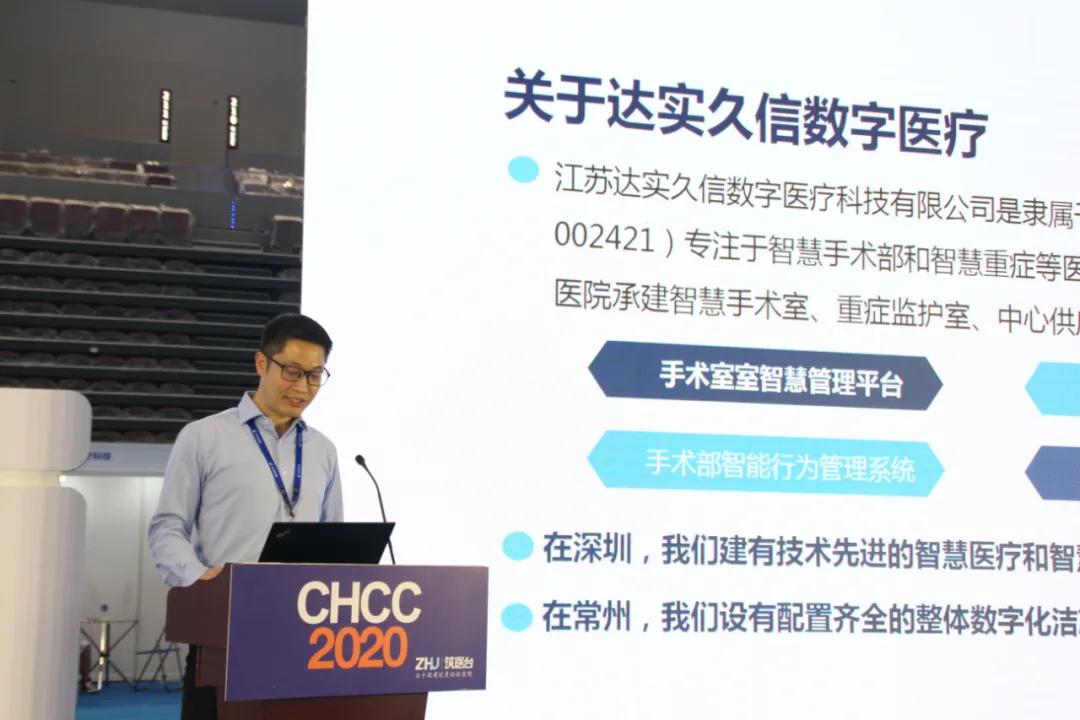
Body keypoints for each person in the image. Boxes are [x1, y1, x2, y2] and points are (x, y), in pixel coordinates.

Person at [148, 313, 343, 719]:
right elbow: (167, 527)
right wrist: (202, 580)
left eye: (315, 375)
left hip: (303, 633)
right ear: (261, 363)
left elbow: (333, 537)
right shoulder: (204, 436)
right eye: (292, 372)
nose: (303, 387)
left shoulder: (324, 450)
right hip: (224, 630)